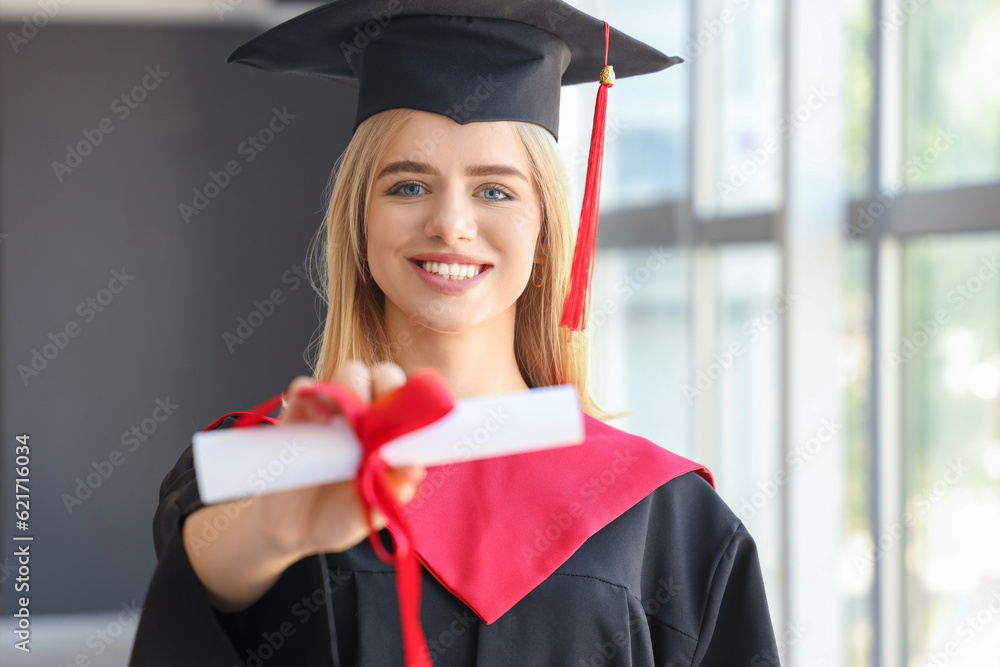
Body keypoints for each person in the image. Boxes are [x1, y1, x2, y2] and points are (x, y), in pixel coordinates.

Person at [128, 1, 780, 665]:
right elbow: (201, 576)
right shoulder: (271, 462)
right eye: (408, 185)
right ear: (359, 223)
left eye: (496, 191)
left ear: (547, 233)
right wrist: (274, 525)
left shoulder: (668, 517)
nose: (450, 223)